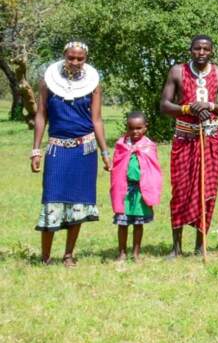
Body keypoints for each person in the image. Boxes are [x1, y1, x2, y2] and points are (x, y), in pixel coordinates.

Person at [30, 41, 110, 266]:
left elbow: (96, 119)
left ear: (85, 59)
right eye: (71, 57)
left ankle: (68, 255)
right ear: (64, 56)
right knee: (51, 199)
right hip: (57, 149)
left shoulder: (93, 84)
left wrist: (105, 152)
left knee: (79, 201)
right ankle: (45, 257)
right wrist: (36, 150)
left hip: (85, 150)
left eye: (80, 58)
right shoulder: (48, 81)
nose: (75, 62)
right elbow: (41, 116)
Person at [159, 35, 218, 257]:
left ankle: (200, 245)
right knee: (181, 190)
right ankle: (176, 248)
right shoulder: (177, 71)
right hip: (184, 137)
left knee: (207, 189)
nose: (201, 52)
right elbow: (165, 105)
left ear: (211, 51)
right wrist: (188, 109)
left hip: (210, 137)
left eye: (205, 49)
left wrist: (210, 105)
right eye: (197, 49)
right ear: (190, 50)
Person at [109, 111, 163, 261]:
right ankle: (121, 252)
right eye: (131, 128)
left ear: (145, 127)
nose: (135, 132)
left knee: (138, 224)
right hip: (124, 190)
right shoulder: (121, 145)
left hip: (141, 191)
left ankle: (136, 253)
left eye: (139, 128)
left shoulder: (149, 146)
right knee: (123, 223)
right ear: (127, 128)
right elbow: (117, 167)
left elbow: (153, 169)